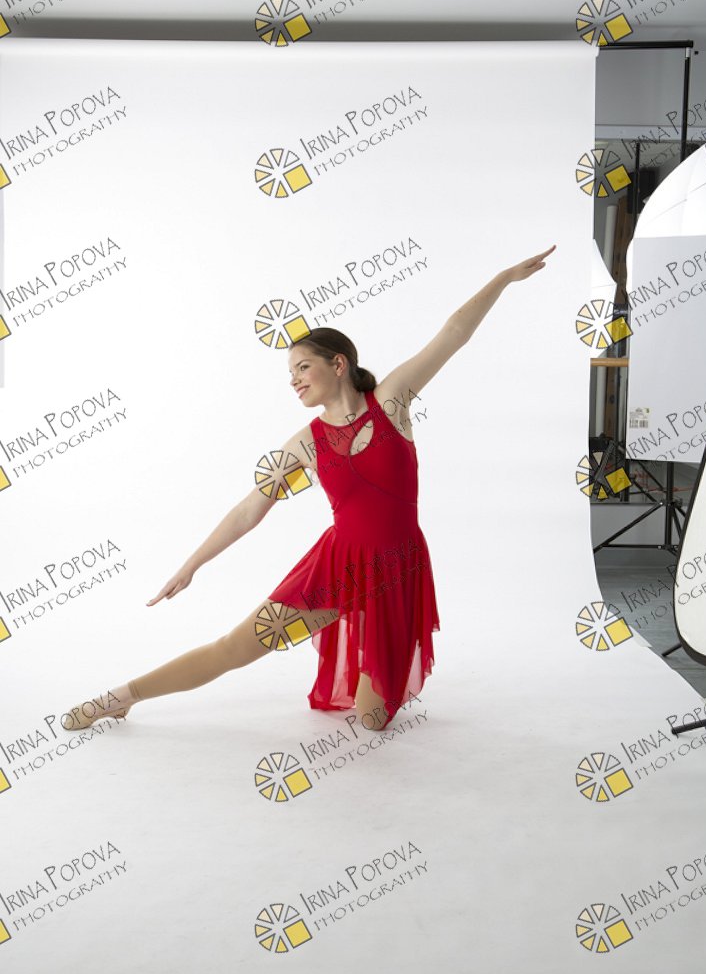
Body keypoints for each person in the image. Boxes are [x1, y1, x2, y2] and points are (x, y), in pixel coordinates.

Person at [62, 245, 556, 734]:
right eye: (290, 374)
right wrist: (191, 565)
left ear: (338, 364)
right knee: (235, 647)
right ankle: (119, 698)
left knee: (372, 721)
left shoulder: (391, 402)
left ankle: (370, 651)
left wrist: (504, 278)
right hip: (338, 567)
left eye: (302, 367)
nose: (294, 381)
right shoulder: (304, 444)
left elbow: (452, 334)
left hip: (396, 568)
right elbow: (247, 511)